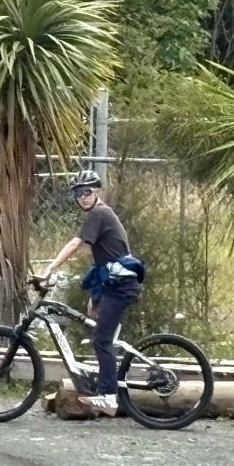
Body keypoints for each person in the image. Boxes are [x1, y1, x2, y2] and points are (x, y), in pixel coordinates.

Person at [39, 169, 143, 416]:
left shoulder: (99, 213)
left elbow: (76, 243)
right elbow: (104, 263)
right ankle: (106, 388)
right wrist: (95, 297)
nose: (82, 197)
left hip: (122, 287)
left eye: (86, 192)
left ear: (96, 192)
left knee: (101, 340)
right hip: (115, 284)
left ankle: (108, 397)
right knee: (102, 335)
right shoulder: (101, 214)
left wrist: (50, 268)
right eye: (78, 193)